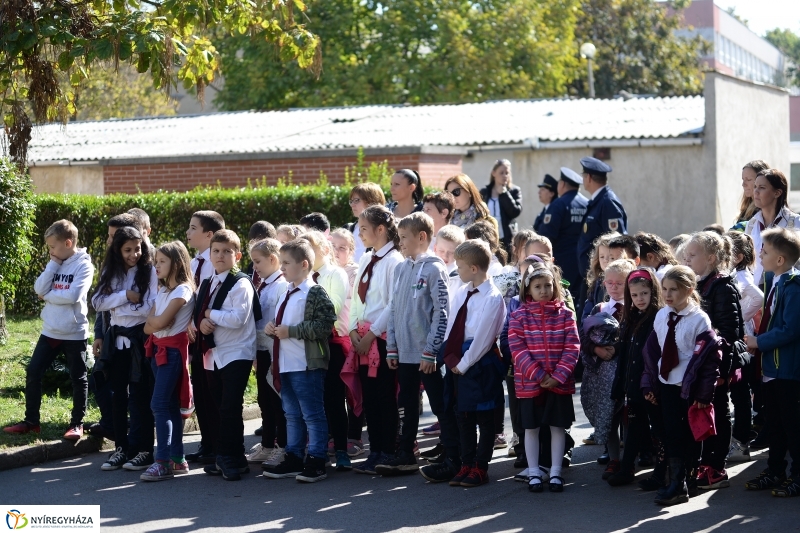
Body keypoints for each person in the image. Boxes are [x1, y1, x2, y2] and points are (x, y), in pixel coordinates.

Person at [4, 220, 94, 440]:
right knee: (34, 371)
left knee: (78, 377)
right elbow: (38, 288)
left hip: (74, 332)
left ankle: (76, 424)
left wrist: (48, 297)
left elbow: (73, 296)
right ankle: (31, 422)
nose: (51, 251)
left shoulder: (84, 265)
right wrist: (52, 265)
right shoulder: (56, 262)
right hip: (51, 331)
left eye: (53, 247)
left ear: (68, 242)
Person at [641, 266, 721, 506]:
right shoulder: (661, 315)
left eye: (674, 290)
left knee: (689, 435)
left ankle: (685, 480)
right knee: (670, 432)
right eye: (664, 289)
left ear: (689, 289)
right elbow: (652, 352)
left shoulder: (699, 319)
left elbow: (709, 360)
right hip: (667, 383)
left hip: (689, 387)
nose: (667, 294)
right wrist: (649, 383)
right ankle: (677, 482)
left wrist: (705, 393)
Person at [377, 212, 450, 476]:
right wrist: (392, 346)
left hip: (427, 355)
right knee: (405, 402)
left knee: (439, 403)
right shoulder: (401, 268)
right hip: (404, 353)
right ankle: (406, 453)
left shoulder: (434, 268)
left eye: (404, 237)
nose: (400, 242)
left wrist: (431, 350)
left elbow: (442, 312)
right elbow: (394, 309)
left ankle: (452, 452)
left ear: (421, 237)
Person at [432, 240, 506, 487]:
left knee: (484, 419)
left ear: (474, 268)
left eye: (460, 266)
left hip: (479, 363)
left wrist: (463, 365)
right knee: (462, 416)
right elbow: (453, 325)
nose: (457, 270)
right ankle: (466, 463)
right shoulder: (463, 291)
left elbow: (484, 339)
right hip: (458, 360)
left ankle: (480, 467)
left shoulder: (493, 298)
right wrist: (449, 357)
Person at [262, 239, 337, 483]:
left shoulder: (314, 292)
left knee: (312, 413)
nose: (281, 268)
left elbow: (325, 325)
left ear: (304, 264)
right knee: (291, 413)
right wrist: (272, 327)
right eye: (281, 263)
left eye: (286, 263)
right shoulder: (286, 291)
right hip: (286, 363)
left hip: (306, 365)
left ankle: (316, 458)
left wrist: (291, 331)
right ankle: (294, 456)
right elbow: (283, 323)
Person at [195, 230, 260, 481]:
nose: (220, 256)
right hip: (214, 353)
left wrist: (211, 315)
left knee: (231, 405)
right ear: (210, 254)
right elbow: (200, 314)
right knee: (221, 405)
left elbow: (238, 318)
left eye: (226, 251)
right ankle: (233, 456)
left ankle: (228, 457)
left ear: (238, 255)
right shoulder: (207, 283)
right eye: (216, 251)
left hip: (237, 352)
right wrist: (201, 322)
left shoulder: (241, 282)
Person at [507, 261, 578, 493]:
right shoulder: (518, 317)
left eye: (548, 285)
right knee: (531, 429)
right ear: (528, 290)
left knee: (558, 427)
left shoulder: (566, 315)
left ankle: (556, 471)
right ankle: (535, 471)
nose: (544, 290)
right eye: (538, 286)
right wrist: (538, 375)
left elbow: (572, 347)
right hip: (530, 384)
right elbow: (517, 349)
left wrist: (558, 376)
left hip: (559, 383)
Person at [93, 226, 158, 472]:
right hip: (116, 340)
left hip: (139, 340)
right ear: (118, 250)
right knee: (118, 396)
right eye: (128, 250)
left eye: (138, 248)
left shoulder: (149, 271)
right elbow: (98, 301)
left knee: (141, 396)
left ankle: (143, 450)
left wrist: (121, 307)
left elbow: (149, 307)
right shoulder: (112, 271)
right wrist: (125, 296)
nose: (134, 254)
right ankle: (121, 447)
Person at [685, 231, 746, 492]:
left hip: (716, 365)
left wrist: (721, 370)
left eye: (692, 255)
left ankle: (717, 467)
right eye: (685, 255)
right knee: (702, 413)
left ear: (710, 258)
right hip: (700, 364)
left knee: (719, 413)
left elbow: (729, 333)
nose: (686, 259)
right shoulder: (698, 283)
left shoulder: (722, 286)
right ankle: (705, 461)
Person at [743, 227, 800, 497]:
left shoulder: (794, 286)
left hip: (787, 369)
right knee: (774, 425)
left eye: (764, 250)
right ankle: (775, 470)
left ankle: (798, 475)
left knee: (793, 426)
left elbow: (791, 329)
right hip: (771, 368)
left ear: (780, 259)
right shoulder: (773, 280)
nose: (760, 253)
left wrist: (759, 342)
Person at [348, 205, 405, 474]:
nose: (359, 234)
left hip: (380, 339)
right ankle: (375, 450)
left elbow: (392, 304)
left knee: (384, 396)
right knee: (370, 398)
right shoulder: (366, 259)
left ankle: (387, 451)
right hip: (362, 338)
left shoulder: (395, 261)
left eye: (363, 229)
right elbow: (357, 300)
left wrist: (371, 334)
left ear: (380, 229)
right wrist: (353, 332)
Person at [140, 241, 195, 481]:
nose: (157, 266)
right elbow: (148, 326)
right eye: (156, 262)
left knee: (159, 404)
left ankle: (162, 461)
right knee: (169, 406)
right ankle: (177, 459)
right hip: (158, 350)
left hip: (171, 353)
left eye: (162, 262)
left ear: (177, 263)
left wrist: (156, 322)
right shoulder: (163, 290)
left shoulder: (183, 290)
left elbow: (159, 323)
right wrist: (156, 321)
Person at [606, 268, 665, 487]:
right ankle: (626, 468)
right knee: (634, 428)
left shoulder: (659, 317)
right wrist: (621, 386)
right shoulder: (631, 320)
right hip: (633, 387)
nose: (640, 299)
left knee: (659, 430)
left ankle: (661, 472)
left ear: (653, 293)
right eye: (635, 295)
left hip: (651, 388)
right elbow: (625, 358)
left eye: (644, 293)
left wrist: (652, 386)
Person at [302, 231, 353, 471]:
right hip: (308, 342)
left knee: (334, 399)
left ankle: (342, 450)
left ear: (323, 248)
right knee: (314, 400)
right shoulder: (303, 277)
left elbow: (333, 307)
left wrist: (305, 319)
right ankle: (318, 449)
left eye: (311, 247)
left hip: (332, 343)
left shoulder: (335, 273)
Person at [581, 259, 635, 475]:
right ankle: (613, 458)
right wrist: (596, 349)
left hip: (628, 373)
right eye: (609, 282)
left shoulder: (635, 307)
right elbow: (583, 336)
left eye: (619, 283)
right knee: (610, 417)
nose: (613, 287)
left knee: (629, 417)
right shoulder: (600, 308)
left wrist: (618, 348)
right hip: (604, 377)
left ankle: (630, 458)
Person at [244, 238, 289, 468]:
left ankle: (282, 446)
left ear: (273, 259)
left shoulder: (281, 285)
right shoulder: (263, 283)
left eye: (257, 261)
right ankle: (268, 443)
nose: (254, 267)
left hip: (274, 350)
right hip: (261, 349)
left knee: (277, 400)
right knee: (264, 399)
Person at [184, 210, 225, 465]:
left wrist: (200, 322)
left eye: (193, 228)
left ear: (209, 234)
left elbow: (210, 299)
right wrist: (189, 322)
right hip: (193, 336)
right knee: (199, 388)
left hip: (212, 336)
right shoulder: (193, 262)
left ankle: (220, 444)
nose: (188, 233)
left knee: (213, 391)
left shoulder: (215, 263)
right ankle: (207, 443)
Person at [726, 230, 763, 463]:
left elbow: (758, 298)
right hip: (740, 337)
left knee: (740, 392)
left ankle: (740, 441)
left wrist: (740, 318)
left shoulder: (741, 277)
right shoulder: (734, 274)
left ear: (737, 256)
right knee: (739, 392)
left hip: (742, 339)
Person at [576, 157, 628, 319]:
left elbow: (617, 242)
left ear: (589, 178)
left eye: (584, 176)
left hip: (607, 280)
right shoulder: (598, 201)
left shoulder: (608, 202)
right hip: (595, 275)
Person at [537, 168, 589, 291]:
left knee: (564, 295)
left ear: (563, 184)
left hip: (562, 261)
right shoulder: (587, 203)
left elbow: (546, 236)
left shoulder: (558, 204)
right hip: (584, 260)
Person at [745, 168, 800, 284]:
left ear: (777, 193)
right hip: (756, 293)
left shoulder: (795, 222)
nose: (756, 191)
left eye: (762, 187)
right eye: (755, 186)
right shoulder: (751, 224)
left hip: (784, 290)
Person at [480, 159, 523, 250]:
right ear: (494, 173)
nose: (504, 176)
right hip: (488, 236)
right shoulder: (485, 192)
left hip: (507, 238)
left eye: (507, 173)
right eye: (501, 173)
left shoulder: (514, 190)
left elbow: (515, 212)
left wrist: (504, 194)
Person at [580, 232, 620, 324]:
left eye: (611, 257)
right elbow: (588, 309)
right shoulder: (597, 281)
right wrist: (586, 325)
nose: (606, 260)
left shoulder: (624, 281)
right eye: (602, 257)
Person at [347, 182, 387, 262]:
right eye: (351, 201)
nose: (352, 205)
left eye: (357, 200)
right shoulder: (349, 228)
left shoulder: (383, 229)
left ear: (371, 201)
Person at [732, 160, 769, 231]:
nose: (743, 184)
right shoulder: (746, 207)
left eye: (748, 179)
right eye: (743, 179)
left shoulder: (764, 211)